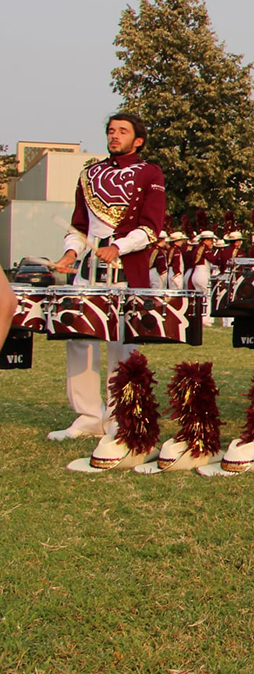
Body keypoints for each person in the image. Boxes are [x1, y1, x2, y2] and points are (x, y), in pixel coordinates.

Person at [47, 112, 166, 440]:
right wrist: (71, 251)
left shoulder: (150, 173)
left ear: (138, 140)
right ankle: (87, 415)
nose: (114, 136)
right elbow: (79, 226)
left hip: (127, 267)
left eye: (122, 131)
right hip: (88, 269)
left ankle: (120, 416)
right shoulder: (90, 173)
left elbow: (151, 227)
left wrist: (118, 246)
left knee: (122, 342)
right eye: (111, 131)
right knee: (79, 338)